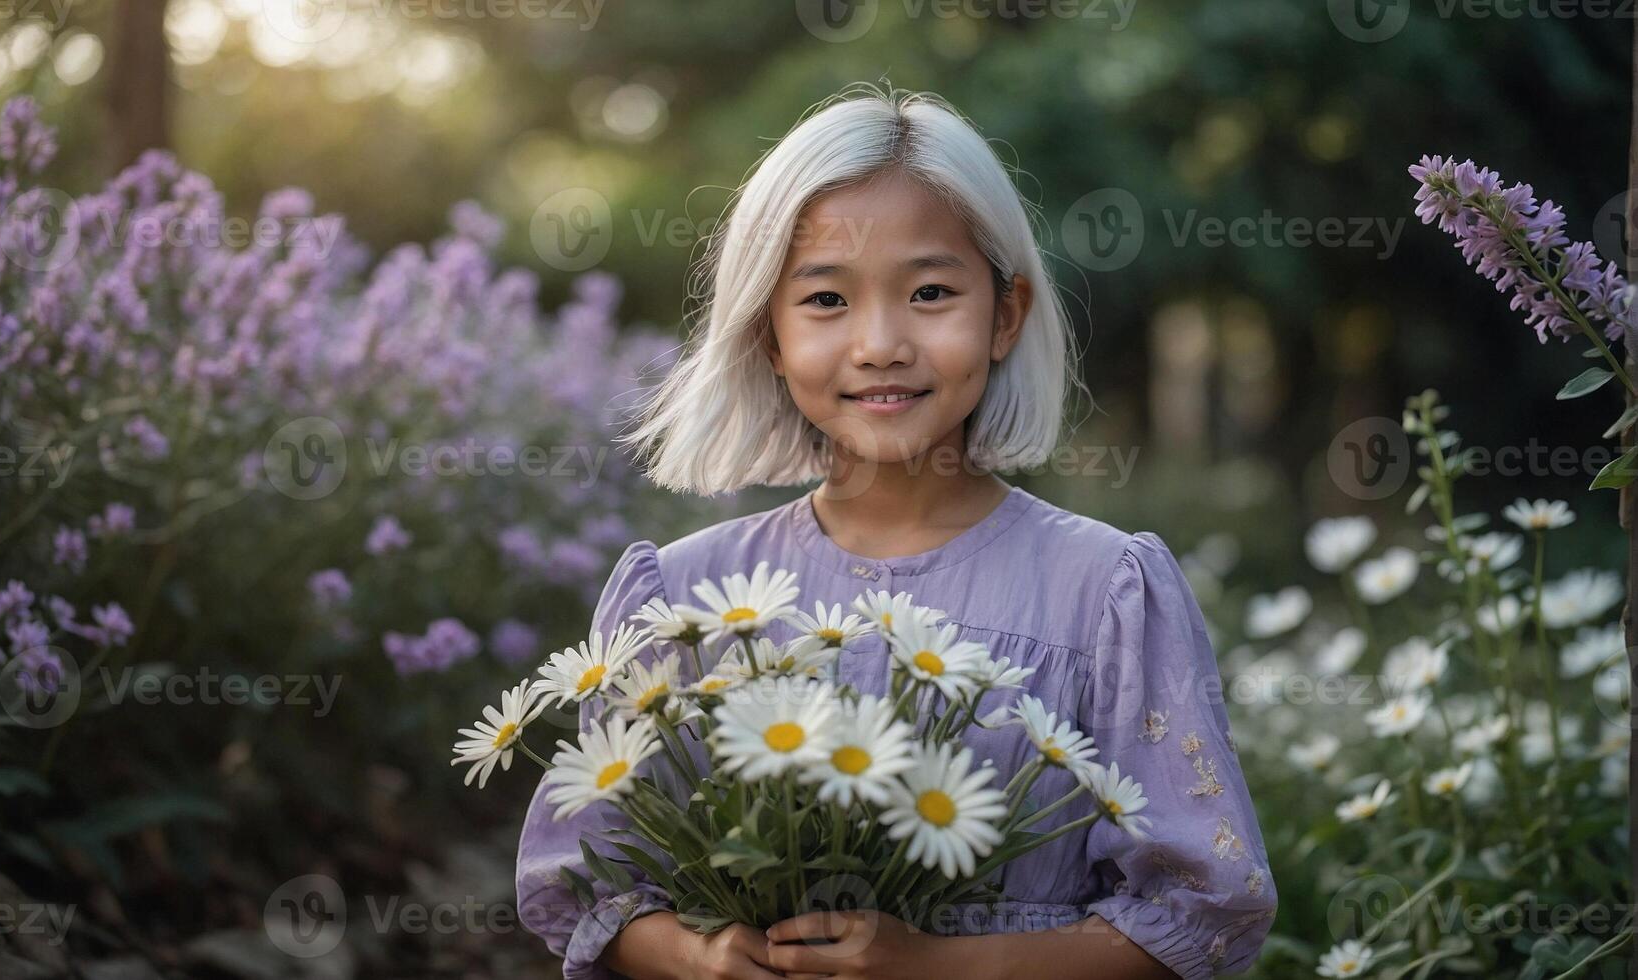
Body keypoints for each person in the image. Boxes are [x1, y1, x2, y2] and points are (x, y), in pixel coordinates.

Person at [514, 82, 1276, 980]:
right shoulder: (682, 598)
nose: (880, 343)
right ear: (768, 335)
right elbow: (588, 885)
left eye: (928, 292)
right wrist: (692, 955)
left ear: (1005, 316)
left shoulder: (1103, 588)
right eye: (826, 300)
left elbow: (1203, 913)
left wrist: (942, 964)